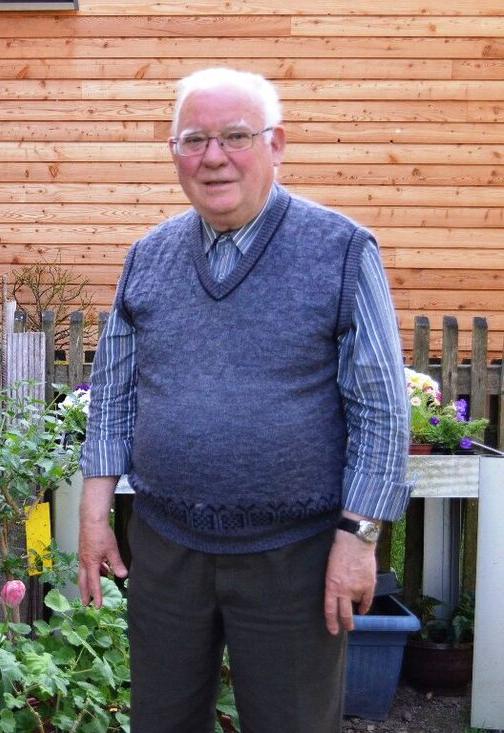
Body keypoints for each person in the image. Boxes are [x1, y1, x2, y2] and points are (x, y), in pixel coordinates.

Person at [77, 67, 411, 733]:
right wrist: (93, 517)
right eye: (194, 139)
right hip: (167, 551)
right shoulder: (147, 257)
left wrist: (360, 538)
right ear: (175, 152)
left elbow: (380, 408)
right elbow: (113, 393)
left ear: (276, 144)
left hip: (296, 558)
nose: (214, 156)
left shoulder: (342, 250)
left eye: (235, 136)